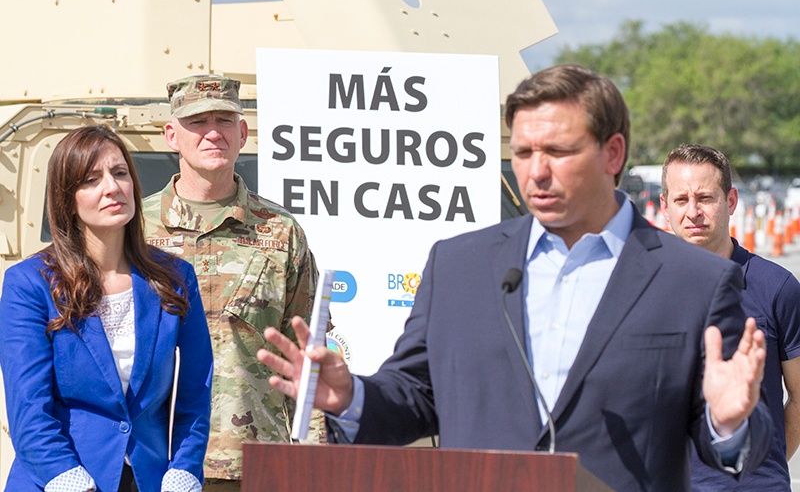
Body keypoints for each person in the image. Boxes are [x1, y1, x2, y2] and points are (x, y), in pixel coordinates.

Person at [257, 64, 775, 492]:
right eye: (524, 153)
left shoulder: (695, 281)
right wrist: (352, 397)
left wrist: (727, 422)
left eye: (558, 152)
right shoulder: (459, 266)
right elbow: (415, 395)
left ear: (612, 153)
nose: (536, 172)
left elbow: (733, 452)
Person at [0, 125, 213, 492]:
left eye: (119, 173)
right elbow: (28, 411)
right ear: (67, 199)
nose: (112, 188)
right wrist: (68, 479)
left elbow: (197, 392)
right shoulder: (28, 284)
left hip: (150, 481)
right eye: (91, 180)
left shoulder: (176, 278)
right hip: (57, 481)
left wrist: (185, 469)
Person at [142, 75, 318, 490]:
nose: (213, 132)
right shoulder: (136, 229)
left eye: (224, 119)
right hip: (156, 458)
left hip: (253, 461)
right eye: (197, 122)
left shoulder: (280, 232)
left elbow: (306, 350)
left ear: (243, 133)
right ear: (172, 135)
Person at [661, 143, 800, 491]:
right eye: (681, 200)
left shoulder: (777, 287)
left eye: (705, 198)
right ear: (665, 207)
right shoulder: (645, 290)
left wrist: (763, 466)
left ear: (731, 201)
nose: (693, 212)